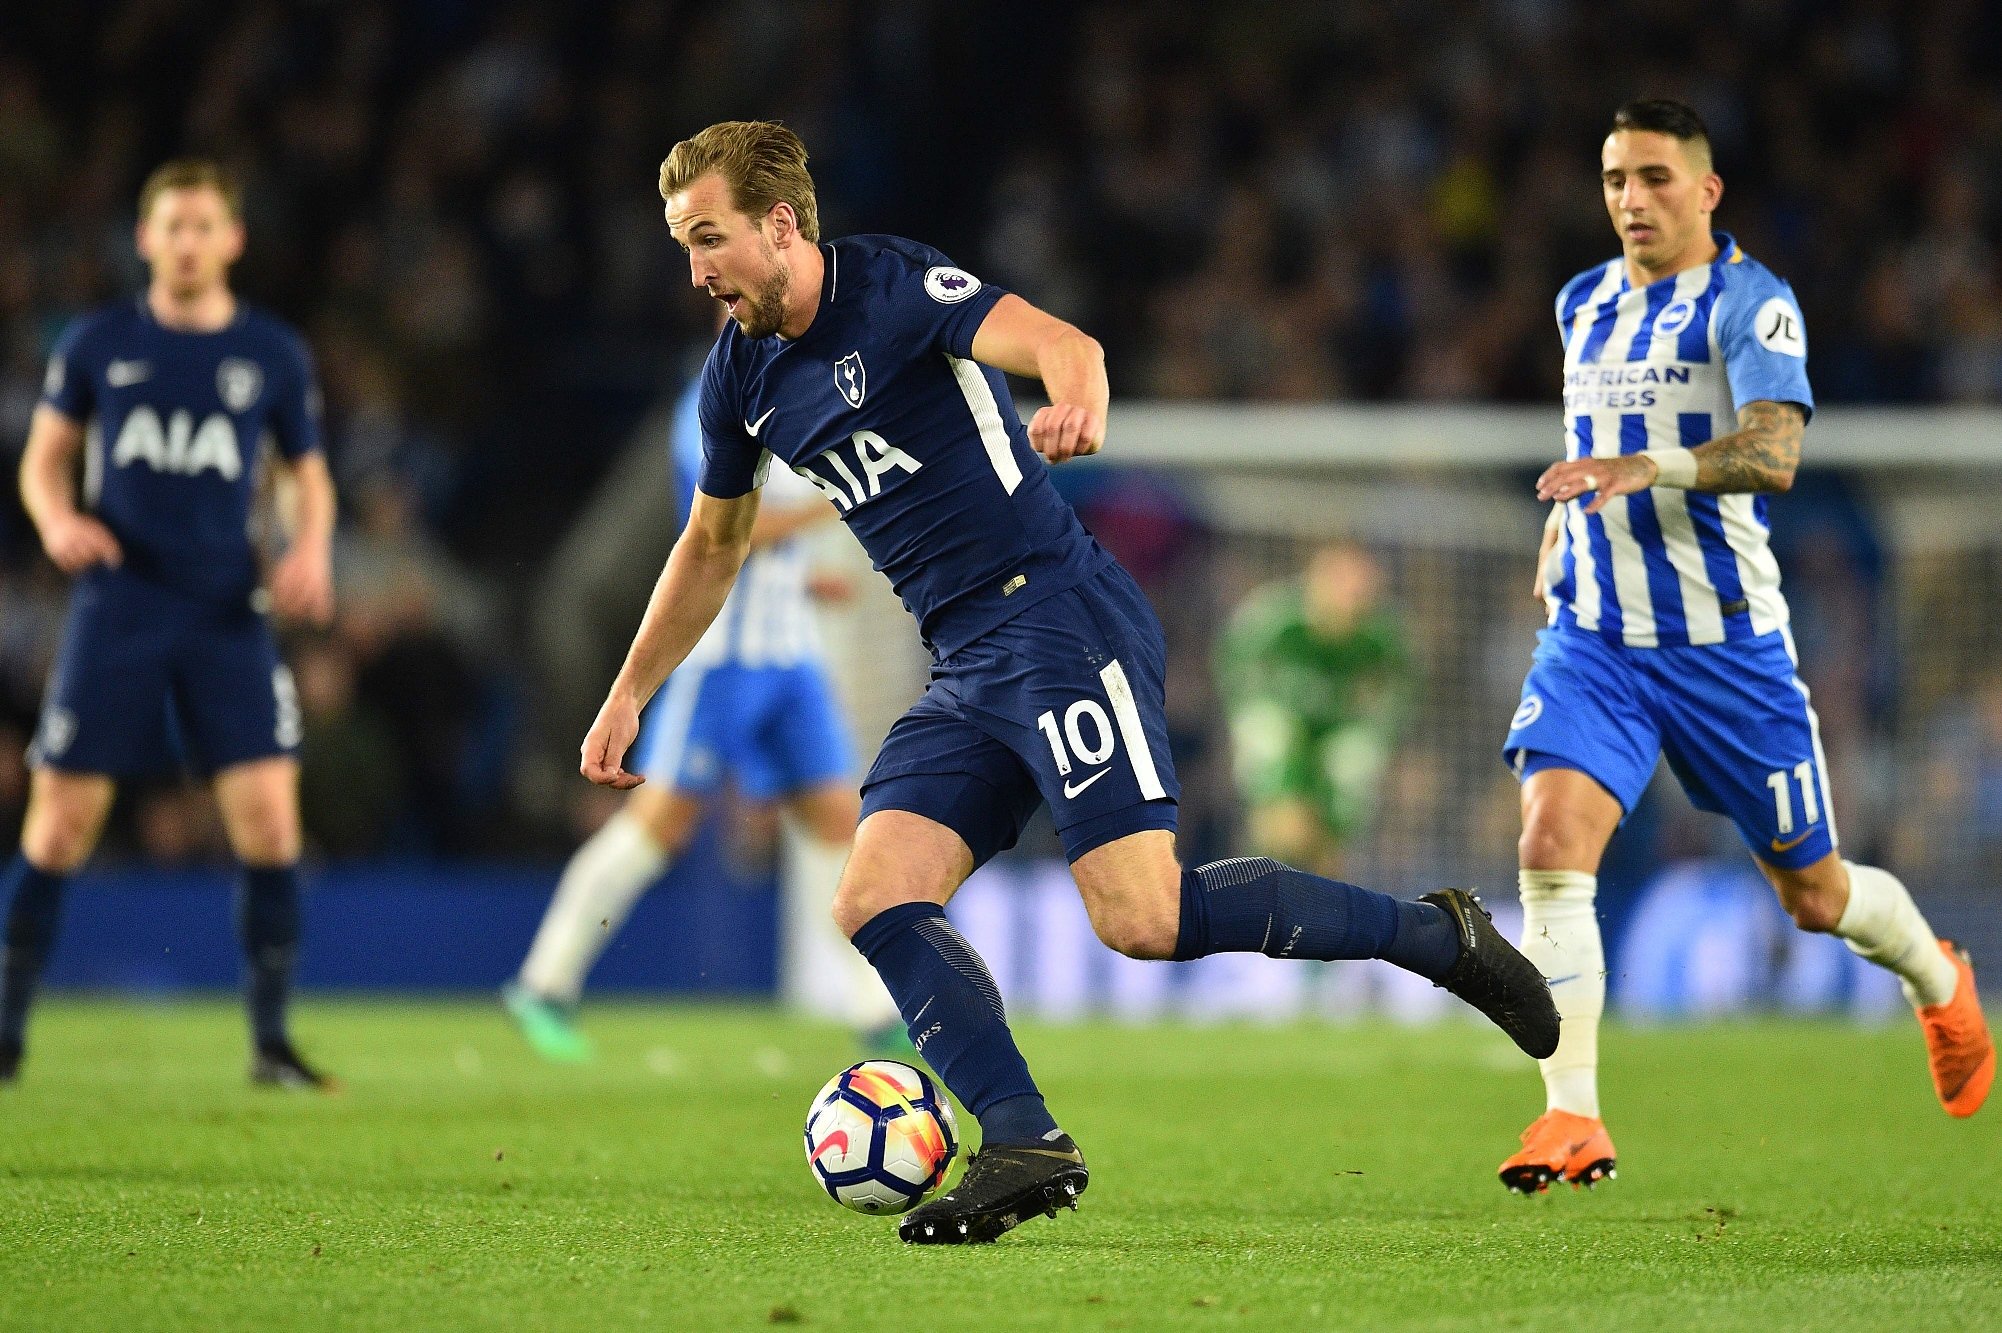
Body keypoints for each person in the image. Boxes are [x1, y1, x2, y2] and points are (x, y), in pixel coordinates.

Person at [579, 120, 1558, 1245]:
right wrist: (629, 689)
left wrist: (1076, 395)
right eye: (682, 245)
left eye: (708, 239)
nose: (695, 270)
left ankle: (1442, 939)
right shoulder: (740, 377)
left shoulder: (892, 284)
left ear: (781, 224)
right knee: (872, 893)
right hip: (961, 659)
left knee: (1142, 918)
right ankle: (1024, 1140)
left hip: (1053, 614)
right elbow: (711, 547)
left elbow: (1062, 341)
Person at [1499, 99, 1992, 1192]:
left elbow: (1773, 453)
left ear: (1706, 190)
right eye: (1616, 177)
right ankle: (1570, 1115)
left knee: (1811, 893)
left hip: (1724, 650)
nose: (1633, 198)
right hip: (1595, 637)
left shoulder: (1751, 304)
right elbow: (1587, 442)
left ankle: (1937, 980)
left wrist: (1650, 467)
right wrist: (1561, 518)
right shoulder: (1580, 302)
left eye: (1657, 178)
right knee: (1549, 837)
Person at [1, 160, 337, 1088]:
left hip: (229, 605)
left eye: (204, 226)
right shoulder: (100, 341)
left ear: (233, 239)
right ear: (145, 239)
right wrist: (60, 519)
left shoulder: (271, 353)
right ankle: (6, 1033)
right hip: (122, 601)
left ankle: (270, 1045)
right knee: (61, 825)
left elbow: (308, 473)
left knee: (270, 823)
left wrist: (310, 550)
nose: (187, 243)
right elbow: (45, 459)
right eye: (171, 227)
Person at [504, 321, 895, 1061]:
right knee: (659, 828)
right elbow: (721, 531)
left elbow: (772, 538)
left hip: (793, 659)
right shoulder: (707, 404)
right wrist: (835, 504)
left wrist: (808, 580)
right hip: (718, 662)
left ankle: (874, 1008)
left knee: (838, 820)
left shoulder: (806, 393)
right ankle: (544, 982)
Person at [1214, 540, 1413, 877]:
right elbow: (1236, 669)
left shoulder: (1382, 640)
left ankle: (1329, 902)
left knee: (1351, 766)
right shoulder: (1273, 620)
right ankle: (1249, 888)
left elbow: (1398, 695)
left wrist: (1374, 728)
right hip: (1282, 722)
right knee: (1277, 786)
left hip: (1341, 732)